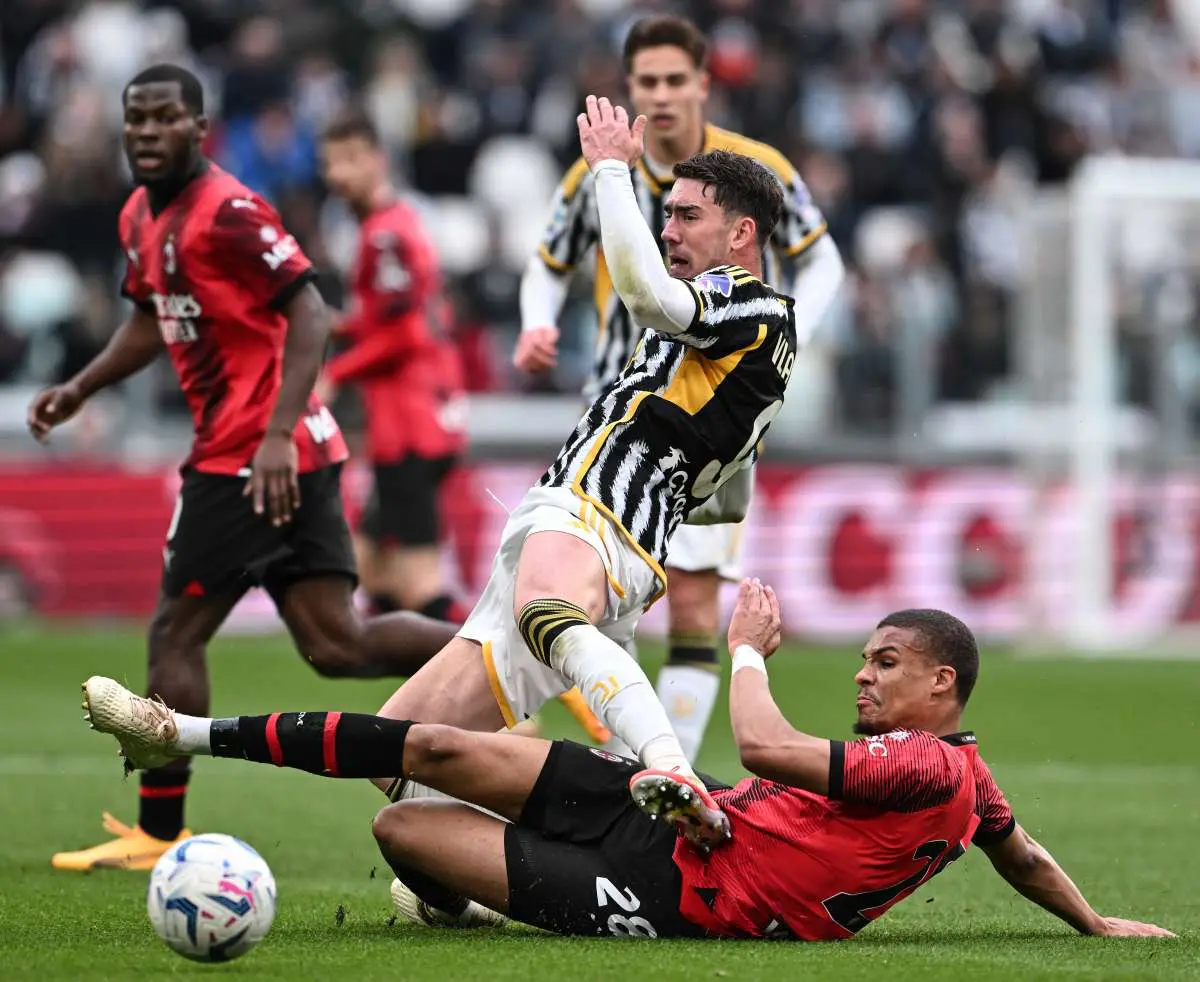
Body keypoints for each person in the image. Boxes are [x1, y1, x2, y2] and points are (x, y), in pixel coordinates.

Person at [81, 581, 1175, 941]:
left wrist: (746, 651)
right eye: (868, 662)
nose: (867, 677)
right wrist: (1092, 921)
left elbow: (762, 745)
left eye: (887, 665)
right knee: (436, 746)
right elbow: (1018, 851)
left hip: (673, 888)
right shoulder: (971, 786)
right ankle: (177, 732)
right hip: (675, 811)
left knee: (400, 826)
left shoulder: (931, 768)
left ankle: (455, 898)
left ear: (944, 685)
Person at [29, 65, 456, 872]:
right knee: (337, 644)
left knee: (175, 632)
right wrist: (81, 387)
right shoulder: (137, 217)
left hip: (249, 459)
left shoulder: (226, 209)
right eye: (136, 121)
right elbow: (152, 321)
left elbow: (311, 311)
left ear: (199, 128)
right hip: (294, 454)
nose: (148, 133)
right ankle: (499, 657)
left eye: (165, 120)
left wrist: (273, 435)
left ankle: (159, 831)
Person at [515, 14, 846, 763]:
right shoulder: (600, 168)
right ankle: (638, 753)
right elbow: (547, 260)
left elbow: (823, 262)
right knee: (589, 597)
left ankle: (661, 771)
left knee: (693, 602)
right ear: (629, 88)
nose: (660, 96)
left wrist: (794, 337)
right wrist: (535, 323)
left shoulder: (751, 169)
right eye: (645, 82)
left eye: (674, 80)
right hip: (622, 400)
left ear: (702, 84)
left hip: (716, 408)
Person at [315, 111, 467, 623]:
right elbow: (409, 316)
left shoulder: (383, 237)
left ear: (378, 161)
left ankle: (495, 687)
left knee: (420, 586)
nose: (339, 174)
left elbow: (404, 335)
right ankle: (411, 699)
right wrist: (346, 327)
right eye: (330, 163)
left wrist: (337, 372)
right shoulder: (399, 225)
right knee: (371, 573)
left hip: (409, 426)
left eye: (351, 160)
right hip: (422, 417)